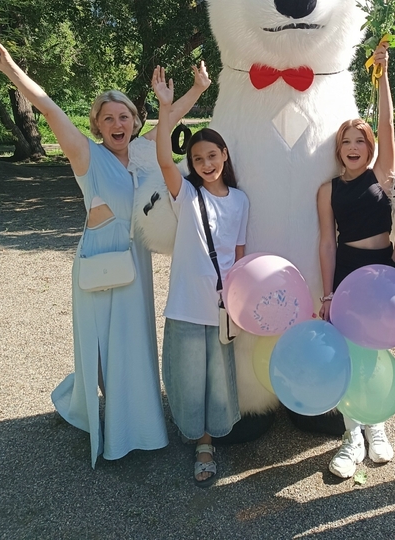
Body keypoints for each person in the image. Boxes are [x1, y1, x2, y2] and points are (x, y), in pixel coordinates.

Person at [0, 34, 210, 467]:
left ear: (134, 122)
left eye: (124, 116)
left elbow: (170, 117)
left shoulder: (142, 152)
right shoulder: (85, 155)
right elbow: (48, 107)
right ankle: (105, 419)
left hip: (135, 262)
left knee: (134, 344)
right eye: (108, 118)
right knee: (103, 346)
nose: (117, 123)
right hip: (99, 263)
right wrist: (8, 67)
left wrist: (197, 89)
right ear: (97, 126)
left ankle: (138, 426)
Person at [152, 65, 249, 487]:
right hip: (186, 304)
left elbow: (240, 257)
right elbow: (162, 157)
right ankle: (199, 441)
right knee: (188, 377)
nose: (206, 164)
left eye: (212, 156)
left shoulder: (241, 201)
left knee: (219, 379)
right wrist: (167, 107)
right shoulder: (187, 194)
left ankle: (214, 436)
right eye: (197, 159)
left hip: (222, 306)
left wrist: (242, 303)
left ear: (224, 156)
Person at [317, 43, 395, 478]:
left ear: (370, 147)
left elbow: (387, 124)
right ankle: (351, 438)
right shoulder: (327, 190)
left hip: (383, 274)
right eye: (346, 141)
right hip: (348, 274)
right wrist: (328, 293)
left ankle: (376, 425)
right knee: (349, 353)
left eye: (360, 141)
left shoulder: (381, 175)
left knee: (377, 351)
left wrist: (383, 77)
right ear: (338, 149)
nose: (353, 147)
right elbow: (327, 243)